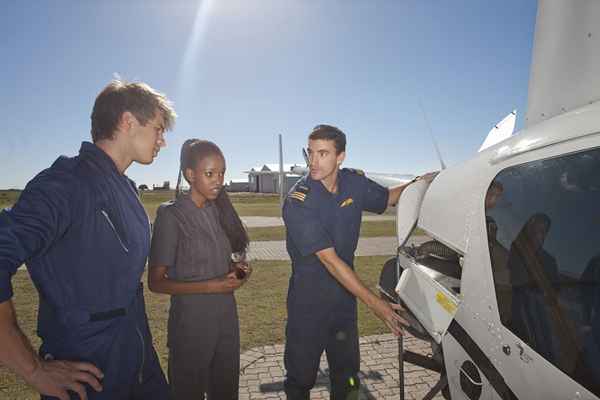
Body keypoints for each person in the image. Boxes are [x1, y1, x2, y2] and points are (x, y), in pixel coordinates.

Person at [0, 80, 176, 399]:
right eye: (159, 129)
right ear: (127, 121)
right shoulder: (65, 184)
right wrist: (33, 370)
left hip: (139, 368)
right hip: (88, 380)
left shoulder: (126, 189)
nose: (162, 141)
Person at [282, 124, 436, 399]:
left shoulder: (354, 183)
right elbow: (330, 262)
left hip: (343, 301)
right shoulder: (298, 201)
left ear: (340, 157)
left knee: (348, 375)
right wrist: (375, 304)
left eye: (323, 153)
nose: (313, 161)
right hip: (308, 304)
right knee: (300, 377)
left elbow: (387, 198)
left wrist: (419, 183)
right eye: (311, 153)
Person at [148, 139, 251, 400]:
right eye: (210, 174)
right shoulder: (171, 215)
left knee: (226, 392)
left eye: (222, 173)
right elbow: (156, 282)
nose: (218, 180)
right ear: (190, 175)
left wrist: (236, 270)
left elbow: (215, 261)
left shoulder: (218, 211)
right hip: (191, 327)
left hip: (226, 321)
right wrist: (211, 286)